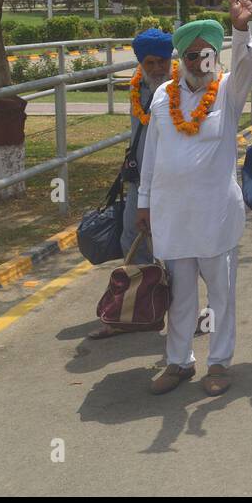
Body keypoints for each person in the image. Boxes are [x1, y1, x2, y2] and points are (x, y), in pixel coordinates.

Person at [136, 0, 252, 396]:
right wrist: (143, 203)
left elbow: (247, 69)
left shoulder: (227, 91)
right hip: (172, 215)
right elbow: (151, 155)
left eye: (206, 53)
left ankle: (220, 363)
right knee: (180, 296)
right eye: (191, 55)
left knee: (221, 295)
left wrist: (241, 31)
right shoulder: (161, 97)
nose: (199, 61)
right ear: (182, 59)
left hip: (215, 216)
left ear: (215, 55)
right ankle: (179, 363)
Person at [88, 27, 173, 341]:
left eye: (161, 62)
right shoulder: (138, 89)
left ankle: (182, 312)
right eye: (149, 63)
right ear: (140, 64)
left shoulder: (183, 88)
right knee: (131, 237)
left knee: (177, 249)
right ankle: (136, 311)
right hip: (141, 180)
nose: (156, 69)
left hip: (176, 181)